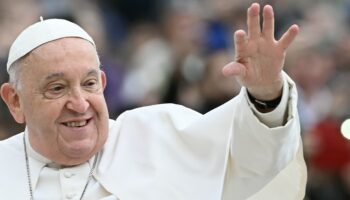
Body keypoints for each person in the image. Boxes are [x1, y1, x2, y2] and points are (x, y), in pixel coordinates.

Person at [0, 3, 306, 200]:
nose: (80, 103)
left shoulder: (158, 132)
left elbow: (253, 161)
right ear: (15, 101)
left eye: (89, 84)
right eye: (57, 88)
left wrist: (266, 94)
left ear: (103, 85)